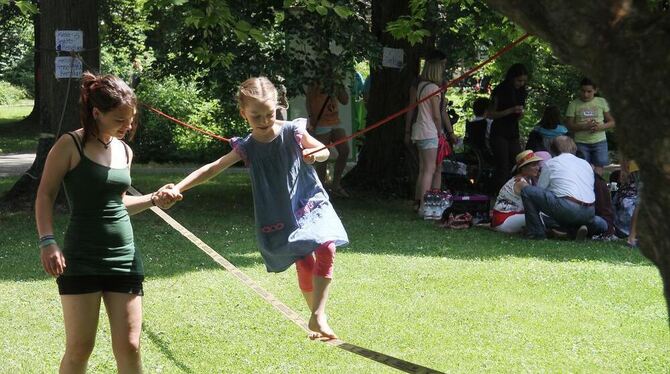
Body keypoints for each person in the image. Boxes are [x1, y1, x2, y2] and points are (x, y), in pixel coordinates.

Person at [166, 77, 348, 340]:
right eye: (256, 116)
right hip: (278, 211)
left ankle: (319, 314)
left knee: (326, 245)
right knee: (305, 263)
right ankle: (315, 318)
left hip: (308, 201)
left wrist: (315, 155)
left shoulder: (293, 132)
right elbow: (212, 168)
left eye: (269, 114)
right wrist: (179, 187)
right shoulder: (248, 146)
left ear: (278, 106)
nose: (264, 121)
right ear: (243, 113)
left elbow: (324, 150)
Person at [35, 72, 180, 373]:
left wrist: (154, 198)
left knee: (130, 345)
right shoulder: (69, 145)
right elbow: (45, 195)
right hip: (81, 257)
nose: (127, 127)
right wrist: (48, 241)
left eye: (131, 119)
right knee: (79, 348)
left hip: (123, 258)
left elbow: (118, 203)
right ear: (97, 113)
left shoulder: (124, 150)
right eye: (119, 120)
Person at [519, 136, 607, 240]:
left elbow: (540, 190)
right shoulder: (586, 164)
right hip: (589, 211)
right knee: (602, 224)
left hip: (566, 208)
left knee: (527, 191)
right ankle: (573, 231)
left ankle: (537, 233)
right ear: (574, 148)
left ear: (553, 149)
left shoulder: (551, 163)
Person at [404, 57, 456, 218]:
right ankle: (426, 208)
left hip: (419, 130)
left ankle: (421, 202)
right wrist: (441, 131)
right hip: (429, 131)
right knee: (430, 170)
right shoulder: (433, 88)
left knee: (424, 169)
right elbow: (436, 115)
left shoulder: (420, 86)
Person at [305, 76, 350, 197]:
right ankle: (320, 188)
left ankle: (335, 185)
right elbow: (308, 101)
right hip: (321, 122)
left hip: (335, 120)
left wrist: (339, 85)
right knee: (323, 155)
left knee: (345, 150)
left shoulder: (336, 80)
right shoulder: (315, 80)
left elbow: (345, 101)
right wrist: (312, 120)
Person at [488, 63, 529, 192]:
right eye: (519, 80)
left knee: (517, 162)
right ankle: (499, 192)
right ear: (511, 78)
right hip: (499, 130)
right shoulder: (500, 90)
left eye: (523, 81)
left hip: (513, 130)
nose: (521, 83)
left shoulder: (522, 92)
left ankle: (514, 190)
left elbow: (519, 117)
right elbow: (491, 114)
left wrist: (520, 114)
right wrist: (511, 110)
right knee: (502, 164)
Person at [565, 77, 616, 175]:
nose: (585, 94)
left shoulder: (601, 102)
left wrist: (600, 127)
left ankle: (596, 188)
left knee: (599, 167)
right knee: (583, 168)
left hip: (600, 141)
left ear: (595, 90)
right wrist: (584, 126)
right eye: (583, 91)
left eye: (589, 91)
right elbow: (569, 125)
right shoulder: (574, 104)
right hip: (581, 142)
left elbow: (612, 121)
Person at [490, 150, 542, 233]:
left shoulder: (528, 180)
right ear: (523, 168)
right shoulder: (521, 183)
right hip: (504, 220)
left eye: (537, 165)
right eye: (533, 165)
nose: (537, 168)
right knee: (541, 217)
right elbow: (539, 200)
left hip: (508, 218)